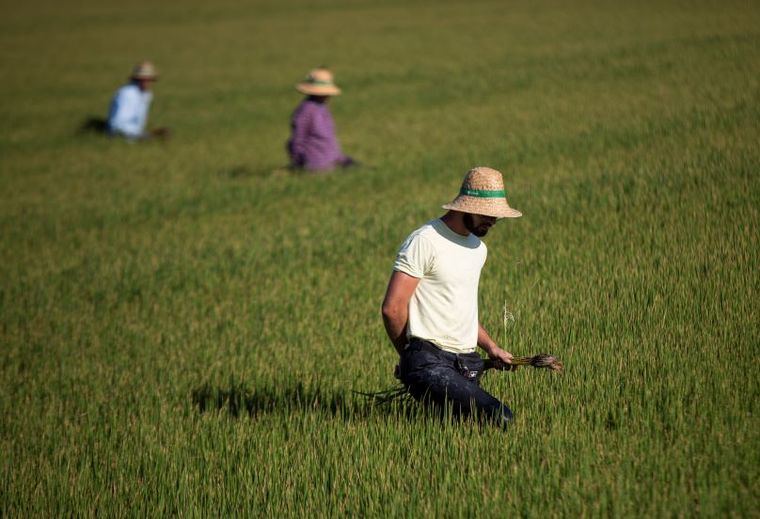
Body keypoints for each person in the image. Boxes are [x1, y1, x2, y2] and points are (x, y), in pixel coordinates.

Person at [381, 166, 523, 427]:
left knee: (460, 431)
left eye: (497, 216)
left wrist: (491, 348)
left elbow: (461, 312)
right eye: (487, 214)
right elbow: (393, 308)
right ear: (464, 207)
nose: (492, 221)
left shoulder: (477, 249)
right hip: (428, 361)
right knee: (500, 417)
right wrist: (408, 355)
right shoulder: (425, 241)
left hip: (465, 365)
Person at [286, 67, 354, 171]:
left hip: (332, 160)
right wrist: (299, 164)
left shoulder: (322, 108)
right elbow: (298, 139)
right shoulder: (306, 111)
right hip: (317, 164)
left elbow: (329, 140)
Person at [106, 61, 169, 140]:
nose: (147, 82)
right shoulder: (127, 94)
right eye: (143, 78)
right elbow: (118, 124)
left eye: (149, 79)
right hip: (121, 135)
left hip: (134, 134)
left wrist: (148, 134)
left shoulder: (146, 94)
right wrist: (144, 136)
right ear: (137, 79)